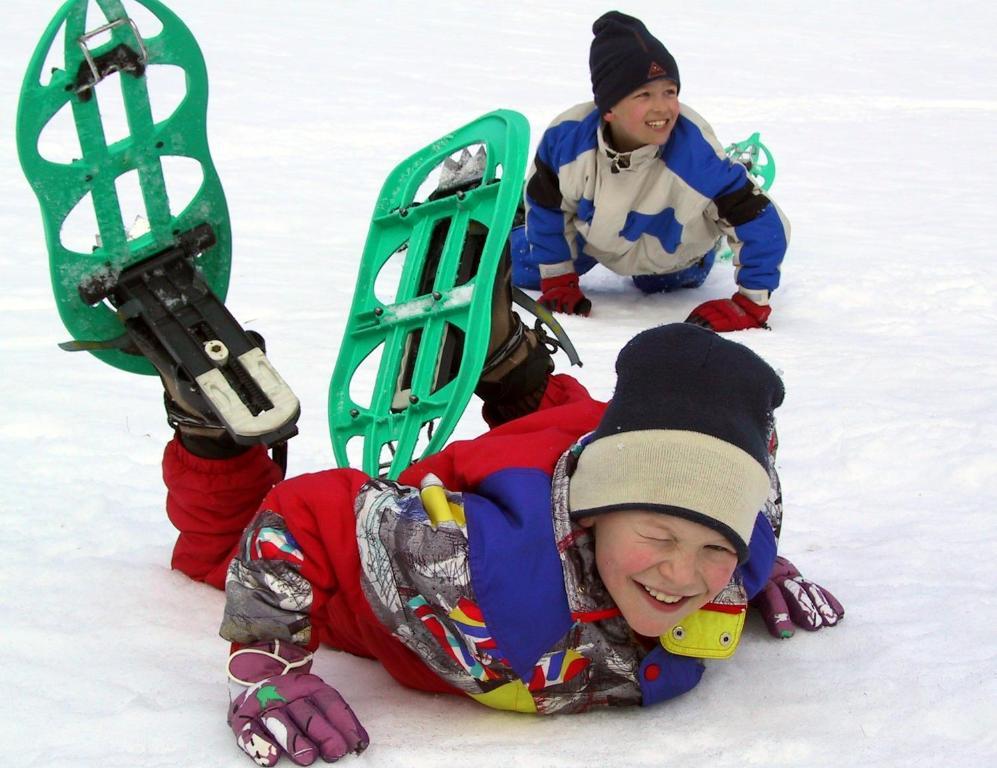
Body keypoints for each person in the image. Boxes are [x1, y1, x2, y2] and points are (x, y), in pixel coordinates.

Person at [149, 260, 841, 766]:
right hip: (453, 537)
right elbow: (305, 510)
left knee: (584, 429)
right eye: (660, 537)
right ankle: (212, 420)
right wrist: (268, 663)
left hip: (586, 448)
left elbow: (726, 516)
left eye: (713, 548)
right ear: (595, 518)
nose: (683, 573)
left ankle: (509, 365)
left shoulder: (741, 544)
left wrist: (754, 569)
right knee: (218, 553)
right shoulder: (471, 567)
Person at [512, 11, 790, 332]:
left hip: (673, 254)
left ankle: (727, 194)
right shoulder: (568, 139)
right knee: (518, 264)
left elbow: (767, 225)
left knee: (659, 283)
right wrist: (559, 278)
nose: (662, 107)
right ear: (609, 108)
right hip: (597, 238)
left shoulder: (695, 156)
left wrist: (750, 302)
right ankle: (497, 216)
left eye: (669, 92)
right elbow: (547, 206)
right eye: (644, 95)